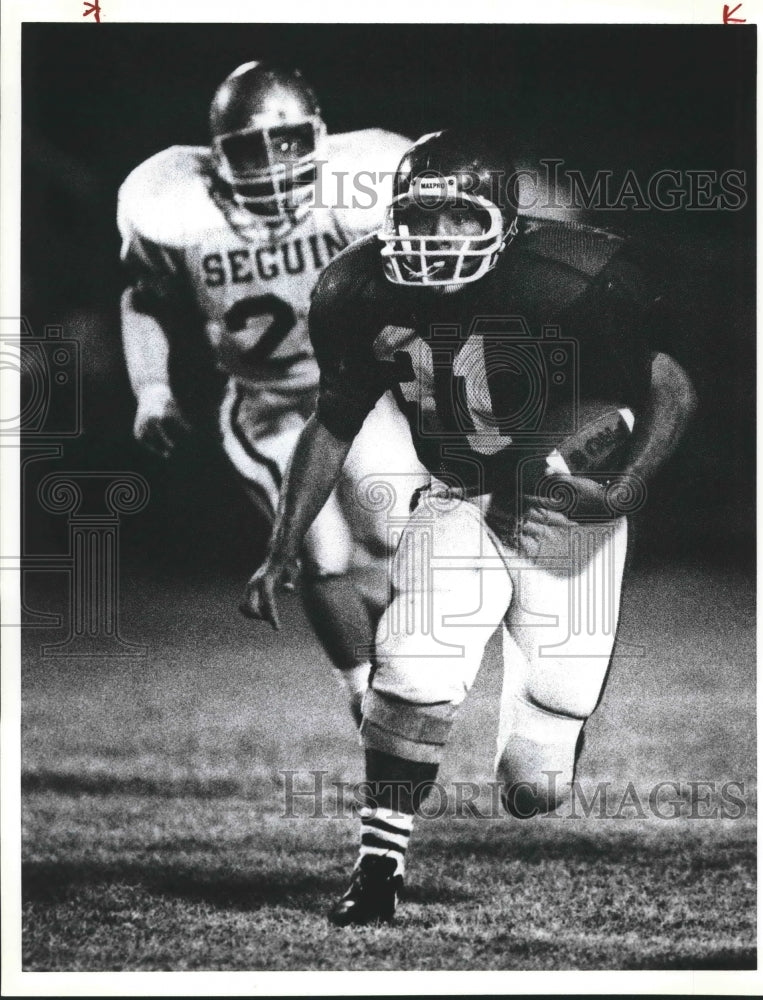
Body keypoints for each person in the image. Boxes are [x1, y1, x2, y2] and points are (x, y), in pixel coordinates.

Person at [241, 129, 697, 925]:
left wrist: (620, 489)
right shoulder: (357, 287)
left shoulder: (577, 278)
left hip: (561, 511)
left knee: (533, 785)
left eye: (457, 218)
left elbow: (672, 390)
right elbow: (335, 418)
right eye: (420, 216)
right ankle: (377, 869)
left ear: (505, 221)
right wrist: (284, 543)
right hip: (455, 494)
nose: (432, 239)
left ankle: (551, 725)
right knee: (412, 672)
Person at [119, 60, 425, 723]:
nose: (273, 165)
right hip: (267, 405)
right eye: (251, 149)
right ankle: (365, 697)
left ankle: (402, 666)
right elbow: (142, 299)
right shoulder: (179, 208)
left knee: (393, 535)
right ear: (216, 154)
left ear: (318, 135)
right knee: (322, 549)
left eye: (286, 143)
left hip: (359, 395)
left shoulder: (359, 189)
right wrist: (151, 388)